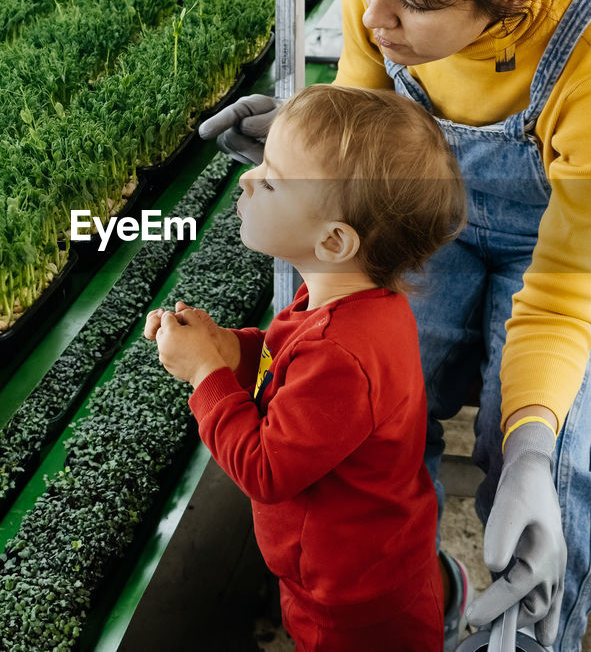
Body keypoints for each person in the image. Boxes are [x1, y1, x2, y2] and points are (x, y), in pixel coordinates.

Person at [199, 0, 591, 649]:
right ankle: (399, 594)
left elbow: (562, 292)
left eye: (413, 1)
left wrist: (527, 449)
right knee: (358, 386)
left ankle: (536, 629)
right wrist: (303, 136)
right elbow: (363, 142)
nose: (377, 16)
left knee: (543, 451)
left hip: (566, 247)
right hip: (426, 221)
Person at [144, 84, 466, 652]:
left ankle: (436, 607)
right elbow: (282, 361)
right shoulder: (344, 303)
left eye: (270, 181)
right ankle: (439, 594)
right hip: (354, 568)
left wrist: (205, 378)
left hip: (349, 605)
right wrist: (226, 347)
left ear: (335, 240)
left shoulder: (344, 354)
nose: (246, 179)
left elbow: (266, 470)